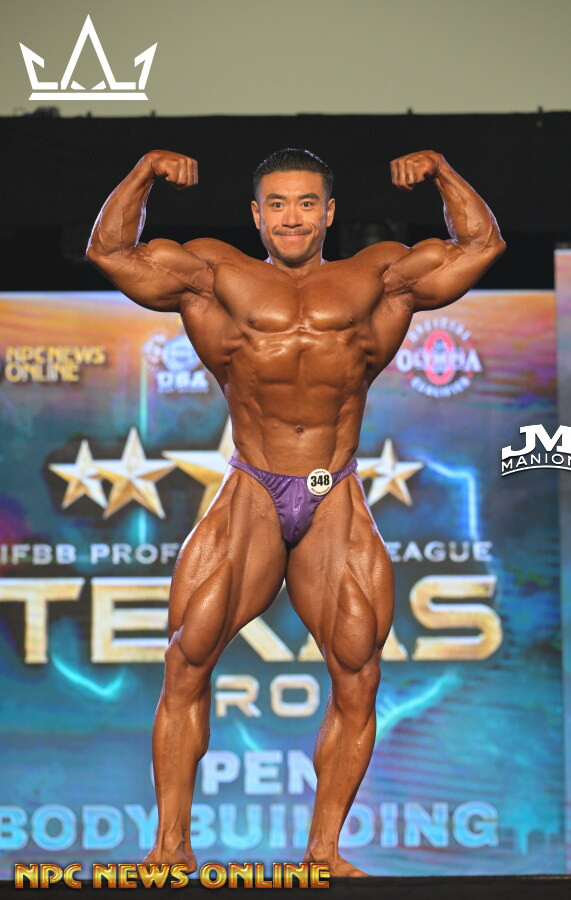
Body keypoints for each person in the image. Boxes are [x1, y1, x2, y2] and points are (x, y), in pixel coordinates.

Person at [86, 147, 505, 876]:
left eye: (307, 202)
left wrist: (442, 170)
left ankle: (323, 852)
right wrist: (145, 171)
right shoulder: (215, 275)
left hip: (332, 487)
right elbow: (111, 251)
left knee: (358, 667)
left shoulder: (377, 277)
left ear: (329, 212)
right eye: (277, 203)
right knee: (188, 656)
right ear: (256, 214)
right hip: (254, 484)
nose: (291, 217)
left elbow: (481, 246)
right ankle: (170, 846)